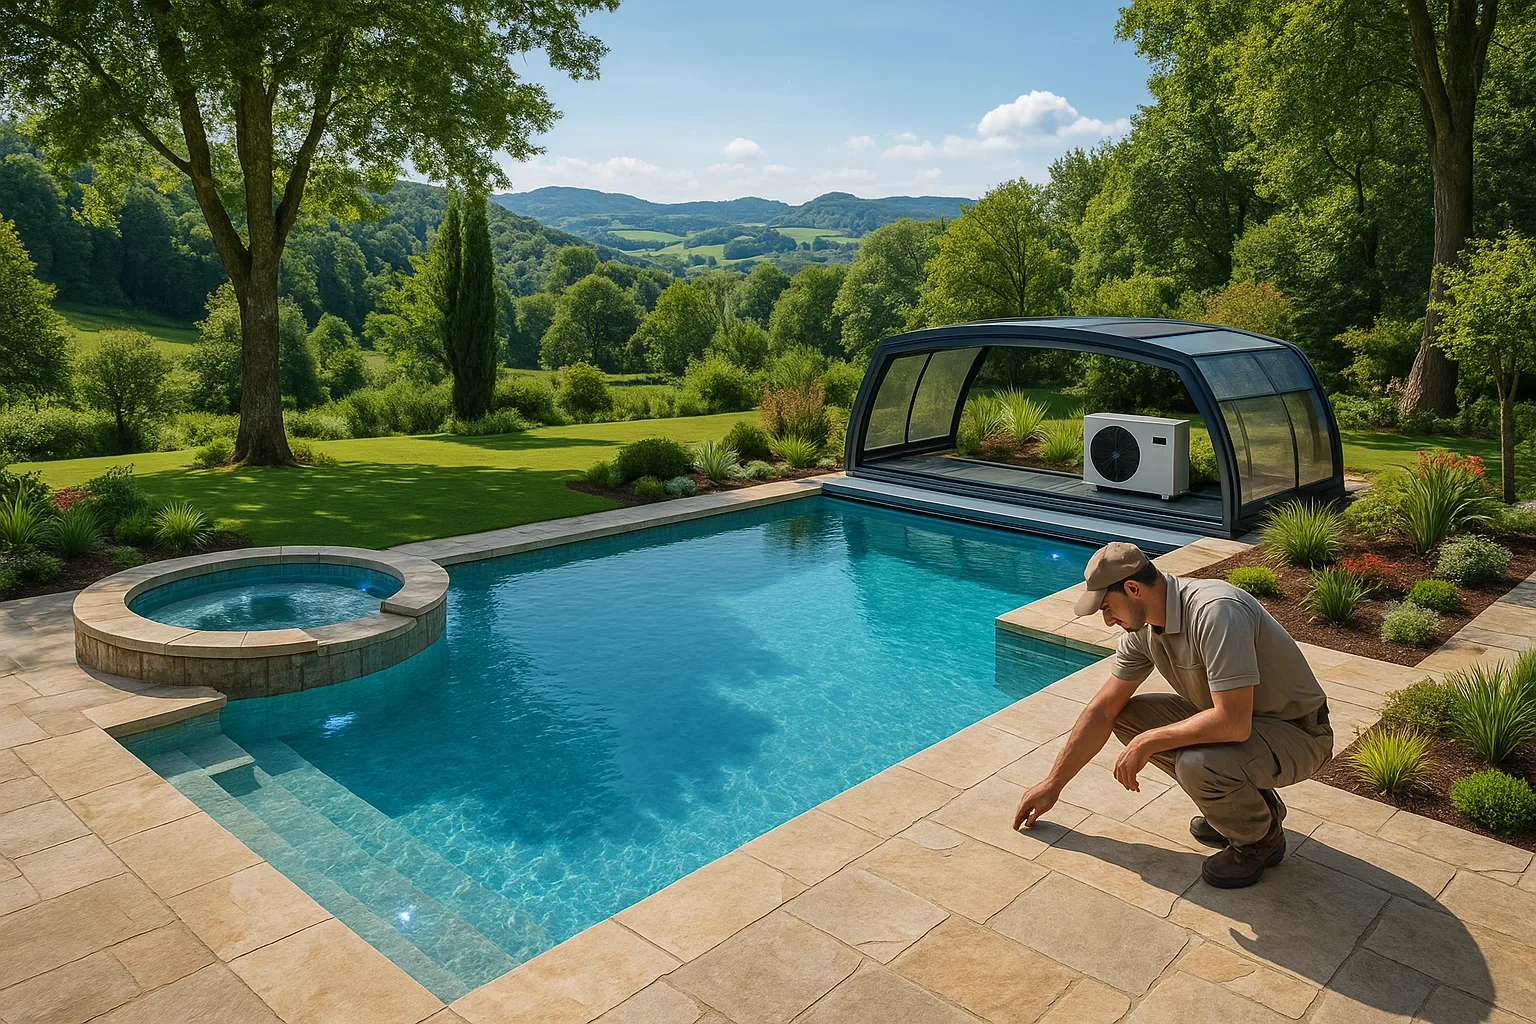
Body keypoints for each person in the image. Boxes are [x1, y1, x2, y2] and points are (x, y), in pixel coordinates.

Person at [1011, 541, 1332, 888]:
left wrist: (1148, 742)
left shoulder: (1216, 611)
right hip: (1249, 724)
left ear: (1133, 589)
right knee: (1128, 715)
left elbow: (1233, 723)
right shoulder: (1144, 629)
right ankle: (1246, 810)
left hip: (1298, 733)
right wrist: (1052, 784)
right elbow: (1103, 709)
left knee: (1198, 765)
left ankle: (1260, 841)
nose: (1107, 621)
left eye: (1107, 607)